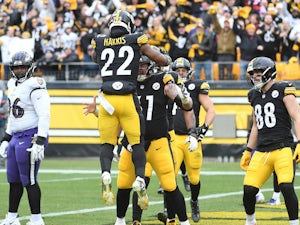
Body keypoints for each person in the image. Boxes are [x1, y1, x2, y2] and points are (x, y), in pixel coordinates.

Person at [90, 10, 172, 207]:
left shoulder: (100, 40)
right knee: (137, 142)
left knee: (107, 143)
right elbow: (160, 60)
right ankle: (140, 179)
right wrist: (162, 58)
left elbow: (96, 58)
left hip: (107, 98)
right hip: (127, 97)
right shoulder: (136, 39)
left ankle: (106, 173)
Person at [117, 53, 197, 225]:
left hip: (158, 141)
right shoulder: (127, 84)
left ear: (152, 66)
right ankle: (122, 220)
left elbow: (187, 106)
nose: (140, 68)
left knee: (169, 185)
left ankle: (183, 222)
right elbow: (119, 114)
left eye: (144, 64)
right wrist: (115, 140)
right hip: (132, 142)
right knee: (124, 183)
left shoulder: (163, 80)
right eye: (137, 64)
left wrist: (184, 98)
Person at [240, 56, 300, 225]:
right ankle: (250, 221)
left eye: (258, 72)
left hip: (283, 148)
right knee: (249, 189)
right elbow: (255, 127)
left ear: (269, 72)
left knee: (286, 187)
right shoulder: (253, 95)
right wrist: (247, 149)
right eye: (253, 73)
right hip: (261, 151)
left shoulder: (283, 89)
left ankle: (294, 223)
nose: (255, 76)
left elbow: (297, 116)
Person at [0, 51, 51, 225]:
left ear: (30, 68)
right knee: (13, 180)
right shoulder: (12, 84)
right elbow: (14, 116)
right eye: (16, 67)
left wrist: (41, 141)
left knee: (28, 179)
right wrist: (6, 138)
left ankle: (37, 219)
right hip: (16, 136)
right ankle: (12, 217)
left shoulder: (35, 84)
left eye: (23, 67)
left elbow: (44, 114)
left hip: (32, 135)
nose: (20, 70)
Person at [170, 57, 215, 222]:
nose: (180, 72)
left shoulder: (196, 86)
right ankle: (170, 208)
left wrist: (203, 128)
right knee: (169, 177)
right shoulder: (166, 86)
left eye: (183, 70)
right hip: (172, 138)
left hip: (191, 137)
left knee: (194, 178)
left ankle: (194, 201)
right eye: (177, 70)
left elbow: (211, 109)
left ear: (189, 71)